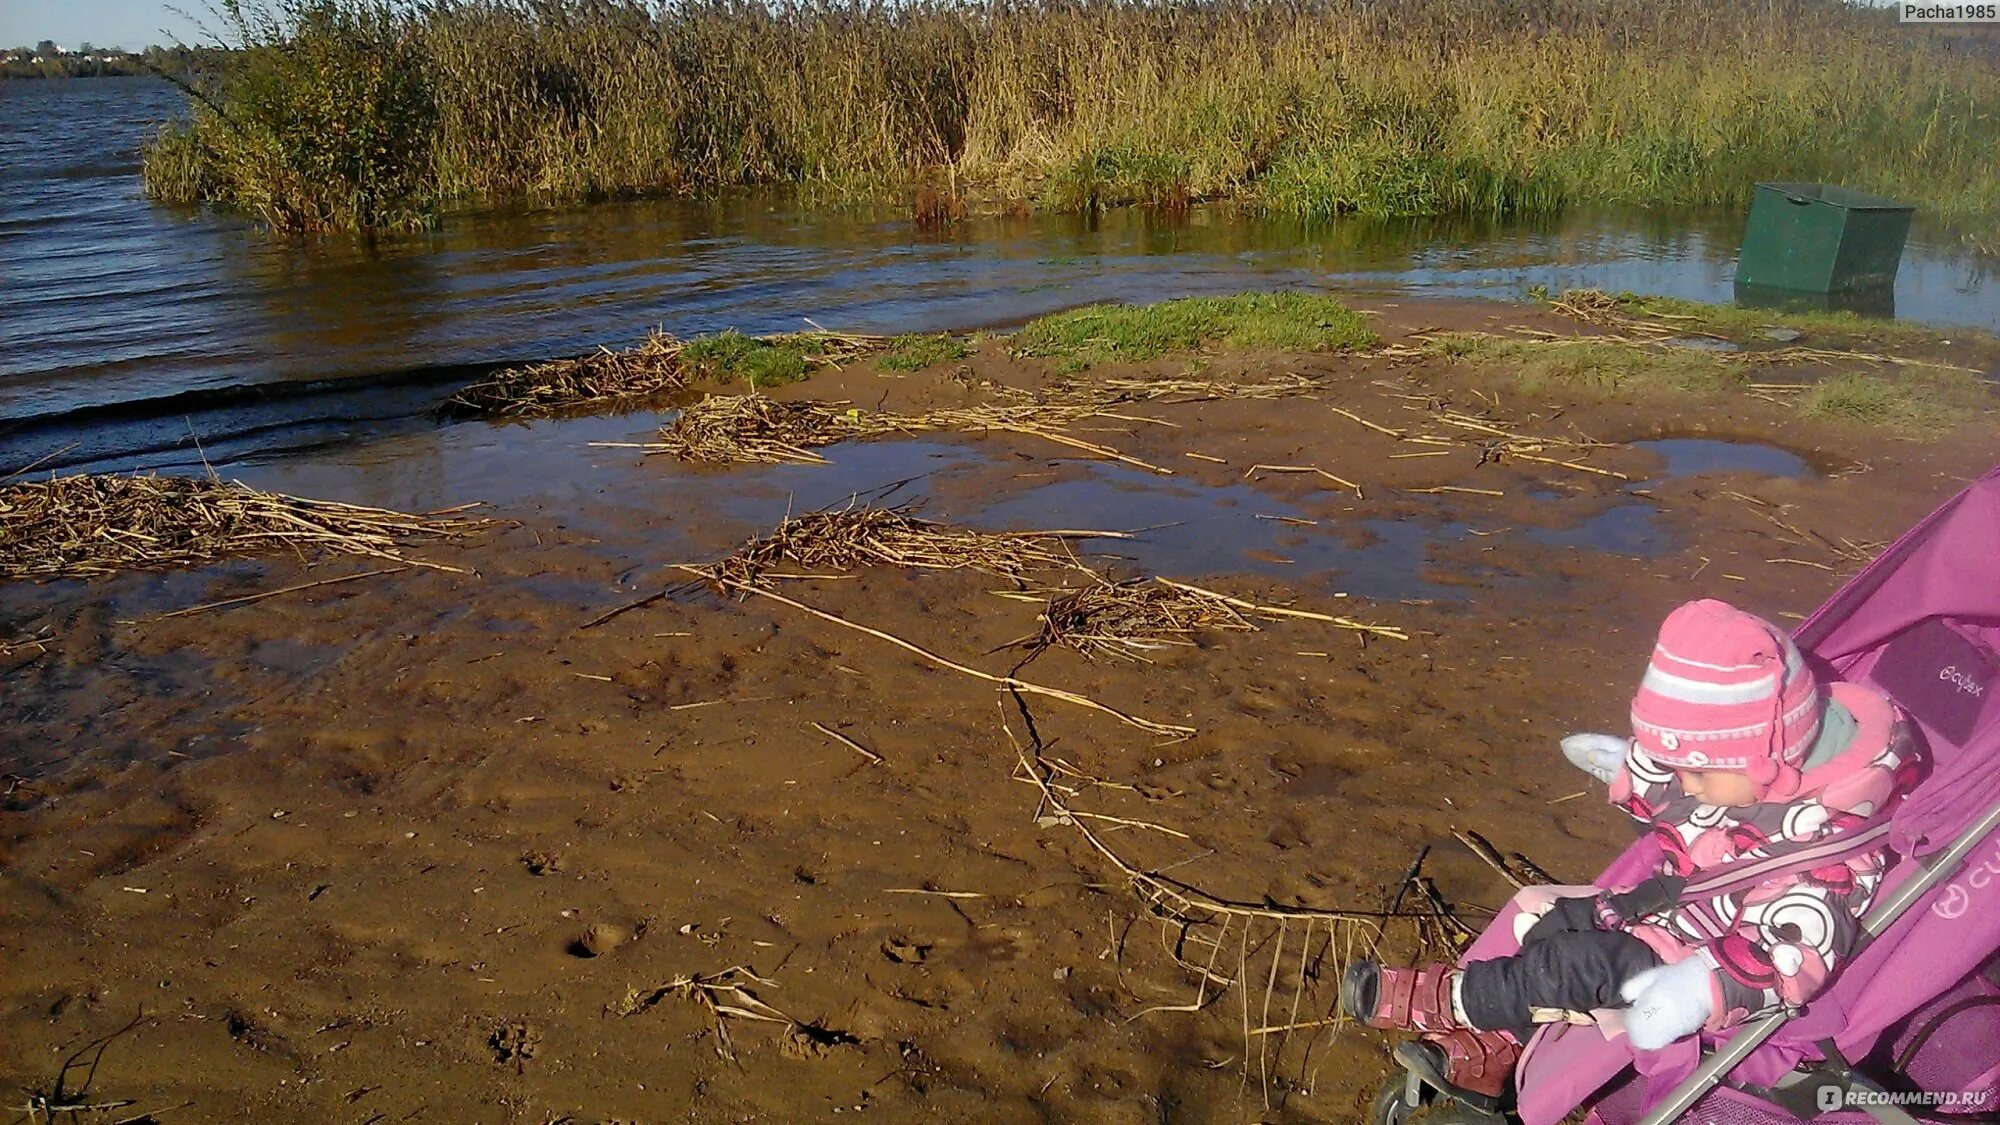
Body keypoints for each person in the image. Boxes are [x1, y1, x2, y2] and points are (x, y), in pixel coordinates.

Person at [1340, 599, 1925, 1109]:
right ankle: (1493, 1052)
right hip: (1668, 911)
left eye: (1692, 770)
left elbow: (1792, 953)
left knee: (1571, 967)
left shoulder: (1825, 856)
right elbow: (1699, 806)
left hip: (1699, 961)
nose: (1685, 783)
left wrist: (1697, 989)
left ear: (1766, 761)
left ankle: (1447, 1001)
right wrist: (1636, 771)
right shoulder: (1751, 778)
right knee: (1556, 923)